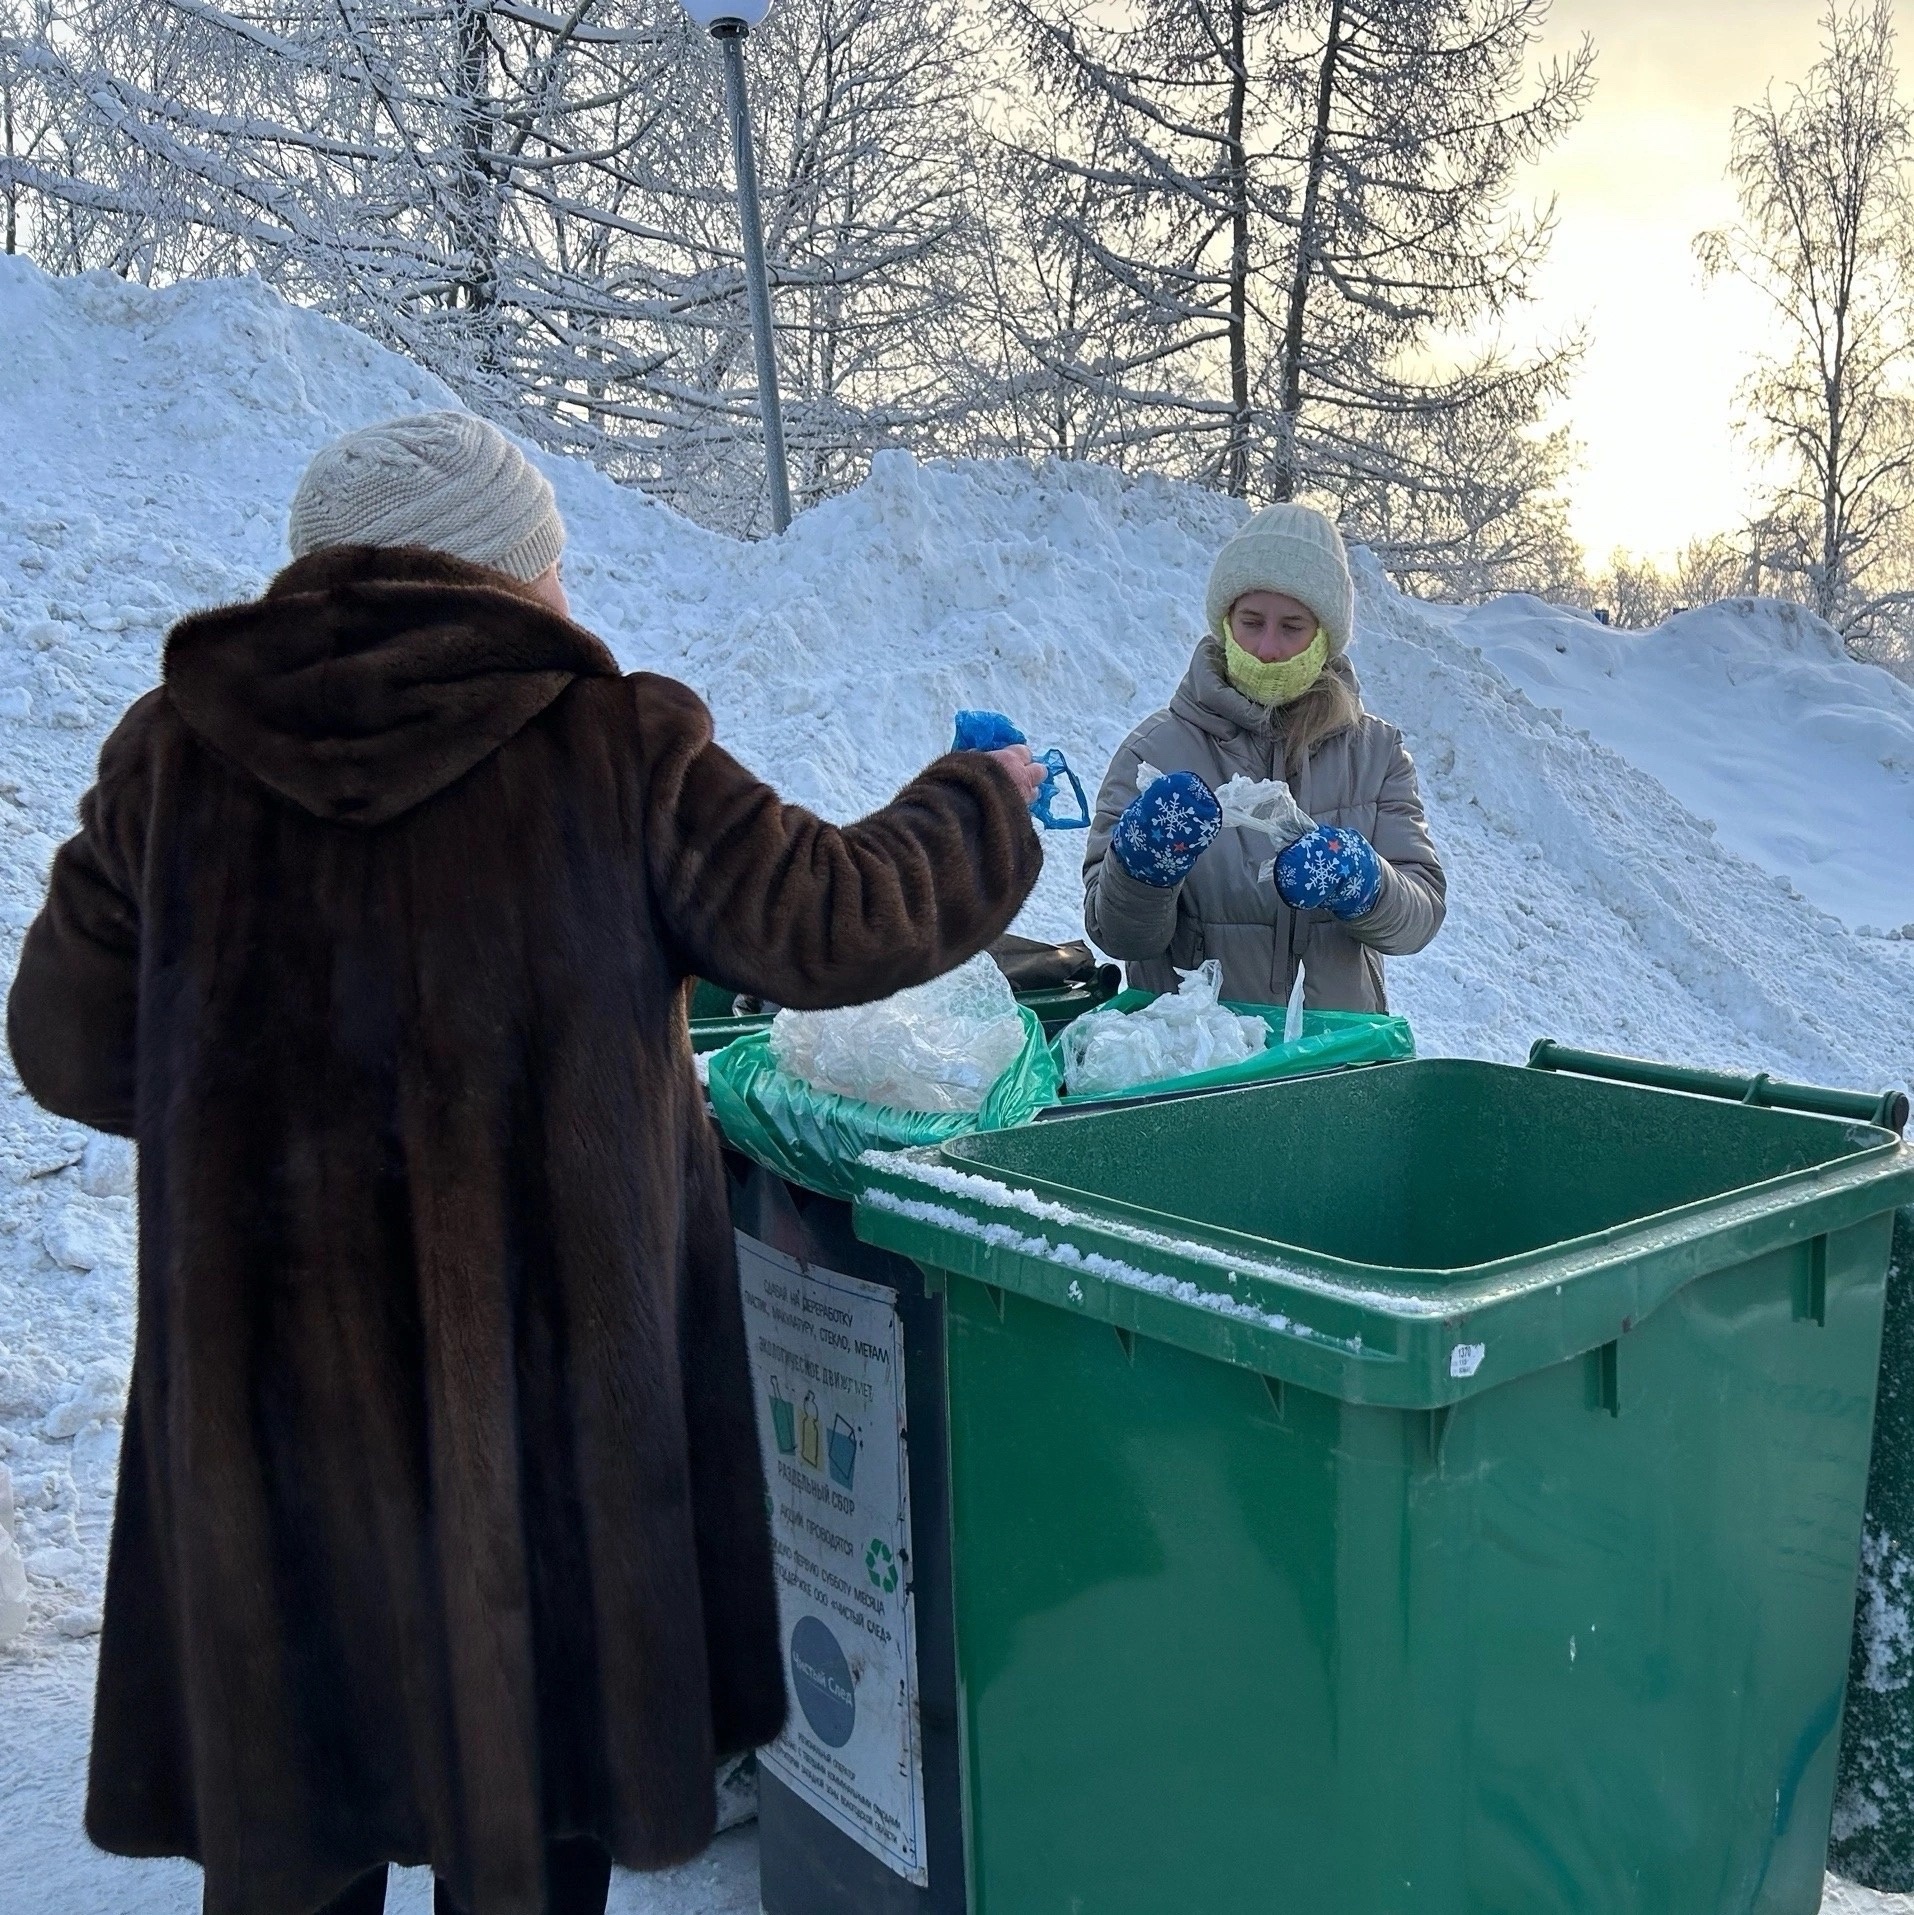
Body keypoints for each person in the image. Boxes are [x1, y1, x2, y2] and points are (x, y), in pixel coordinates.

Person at [6, 412, 1046, 1915]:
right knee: (533, 1824)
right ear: (508, 573)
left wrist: (254, 1107)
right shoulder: (613, 743)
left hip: (274, 1412)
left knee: (296, 1819)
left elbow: (66, 1044)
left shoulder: (170, 757)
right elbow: (831, 919)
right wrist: (972, 805)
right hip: (547, 1423)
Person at [1083, 502, 1445, 1010]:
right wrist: (1141, 868)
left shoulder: (1376, 754)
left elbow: (1419, 919)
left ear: (1324, 637)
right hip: (1196, 1061)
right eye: (1251, 622)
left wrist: (1366, 882)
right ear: (1225, 622)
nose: (1267, 648)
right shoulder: (1154, 752)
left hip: (1335, 1058)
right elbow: (1119, 937)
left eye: (1292, 627)